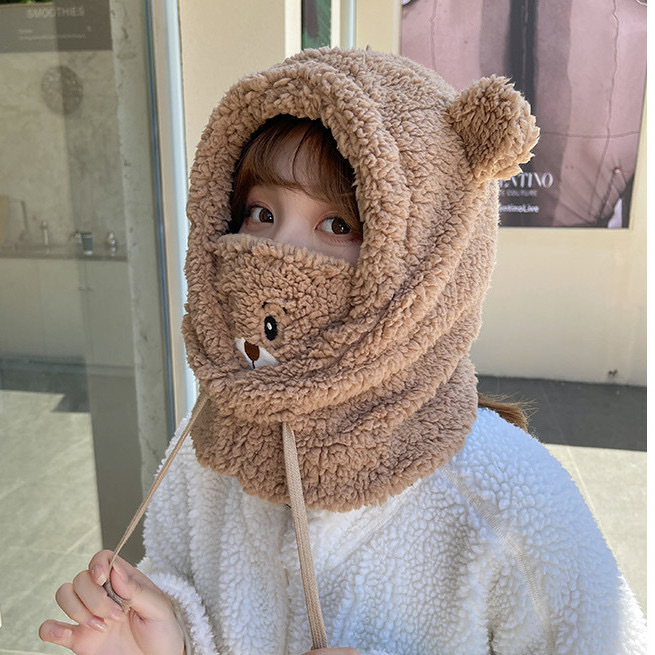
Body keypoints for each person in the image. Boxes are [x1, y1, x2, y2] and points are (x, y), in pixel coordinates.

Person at [39, 48, 646, 655]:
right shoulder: (209, 450)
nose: (277, 254)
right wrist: (168, 642)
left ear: (430, 258)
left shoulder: (510, 497)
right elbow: (176, 576)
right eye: (261, 212)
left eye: (338, 226)